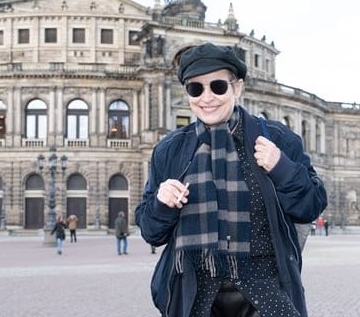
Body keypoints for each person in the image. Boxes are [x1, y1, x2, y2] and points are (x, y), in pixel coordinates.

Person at [135, 43, 327, 317]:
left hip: (267, 296)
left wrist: (282, 167)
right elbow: (151, 232)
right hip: (195, 298)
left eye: (218, 86)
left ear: (237, 88)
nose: (207, 97)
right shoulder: (170, 151)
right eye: (196, 88)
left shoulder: (278, 139)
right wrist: (161, 204)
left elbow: (311, 206)